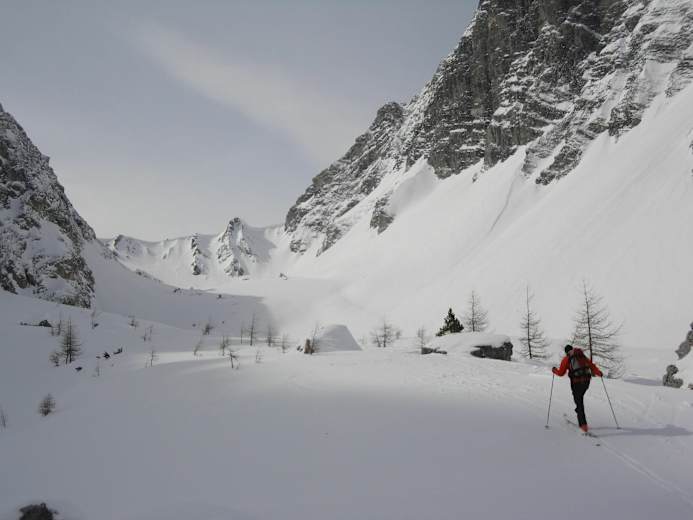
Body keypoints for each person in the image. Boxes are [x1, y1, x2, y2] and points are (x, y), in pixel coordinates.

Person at [552, 344, 603, 432]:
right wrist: (599, 373)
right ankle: (578, 410)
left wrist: (554, 370)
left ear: (566, 352)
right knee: (578, 398)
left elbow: (561, 373)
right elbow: (591, 366)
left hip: (576, 383)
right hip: (586, 382)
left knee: (579, 402)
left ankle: (583, 425)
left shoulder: (566, 359)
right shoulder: (582, 355)